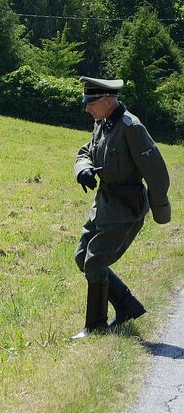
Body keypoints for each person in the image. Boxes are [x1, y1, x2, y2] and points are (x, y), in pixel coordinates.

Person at [71, 77, 171, 339]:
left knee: (95, 260)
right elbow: (86, 151)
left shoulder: (131, 128)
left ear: (107, 100)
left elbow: (157, 173)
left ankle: (95, 326)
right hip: (103, 204)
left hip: (126, 208)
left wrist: (161, 212)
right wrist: (83, 170)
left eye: (91, 103)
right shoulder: (103, 123)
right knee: (82, 256)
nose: (87, 108)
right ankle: (127, 305)